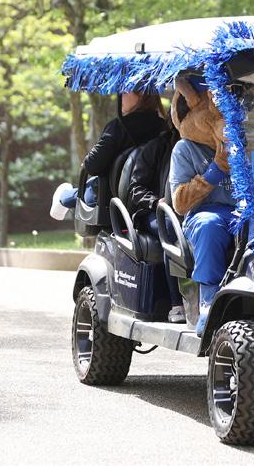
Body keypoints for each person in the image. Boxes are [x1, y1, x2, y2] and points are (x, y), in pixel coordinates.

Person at [167, 78, 234, 336]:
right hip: (205, 213)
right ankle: (208, 299)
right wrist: (215, 170)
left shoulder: (245, 145)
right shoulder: (185, 149)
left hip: (244, 212)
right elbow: (180, 202)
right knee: (210, 226)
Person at [49, 92, 167, 219]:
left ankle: (63, 197)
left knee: (85, 190)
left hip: (110, 198)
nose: (120, 95)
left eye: (125, 91)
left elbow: (92, 166)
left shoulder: (119, 127)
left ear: (142, 94)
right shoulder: (166, 128)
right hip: (154, 194)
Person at [126, 121, 186, 323]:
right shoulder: (157, 147)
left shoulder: (205, 146)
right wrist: (156, 202)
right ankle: (177, 303)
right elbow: (136, 189)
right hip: (154, 212)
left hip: (187, 211)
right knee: (170, 229)